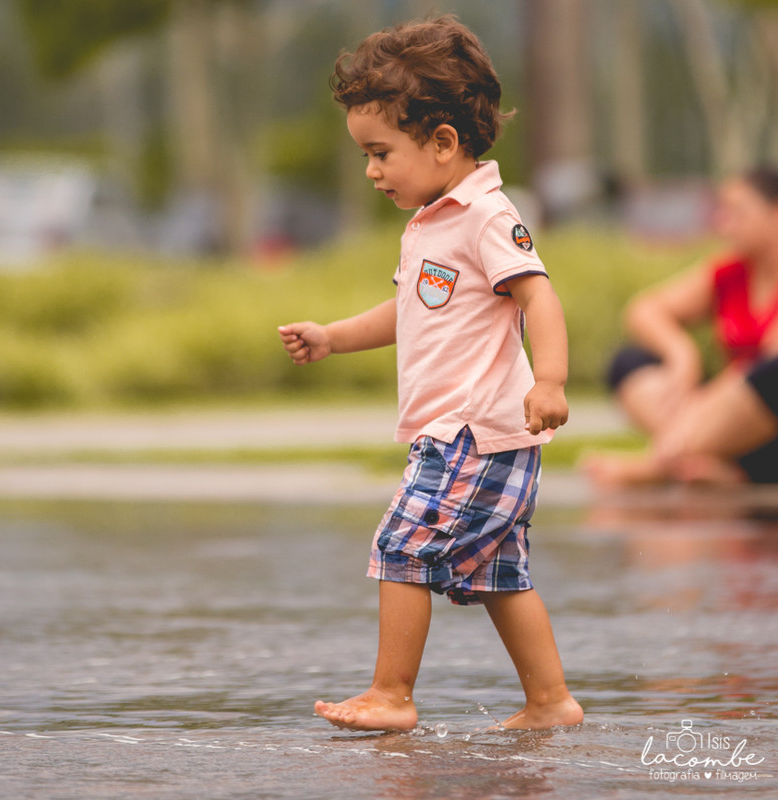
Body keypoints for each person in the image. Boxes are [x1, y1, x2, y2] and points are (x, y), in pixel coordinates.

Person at [277, 16, 583, 733]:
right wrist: (332, 337)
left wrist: (550, 380)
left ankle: (392, 694)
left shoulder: (485, 216)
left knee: (402, 547)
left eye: (380, 153)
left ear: (443, 142)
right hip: (472, 437)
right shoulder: (432, 222)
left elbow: (538, 294)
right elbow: (408, 310)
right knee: (499, 575)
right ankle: (550, 702)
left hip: (473, 433)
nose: (371, 170)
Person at [586, 168, 778, 485]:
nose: (723, 224)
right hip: (725, 418)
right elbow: (643, 310)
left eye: (737, 212)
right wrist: (682, 353)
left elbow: (762, 367)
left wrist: (704, 408)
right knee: (629, 361)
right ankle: (715, 464)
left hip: (763, 428)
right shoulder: (731, 272)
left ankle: (657, 466)